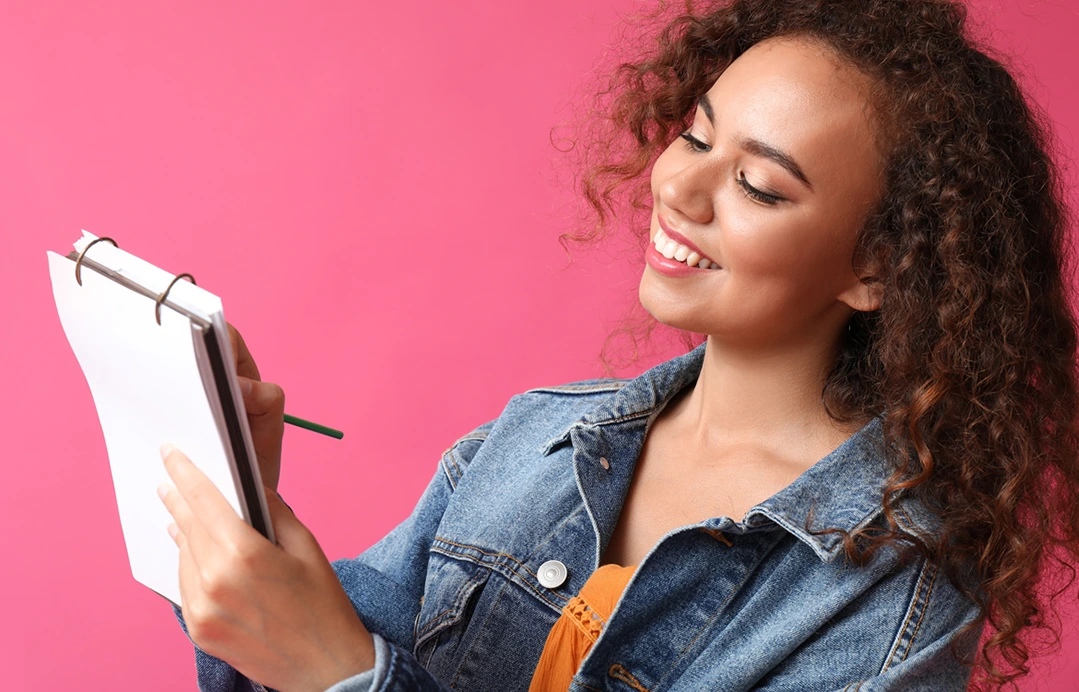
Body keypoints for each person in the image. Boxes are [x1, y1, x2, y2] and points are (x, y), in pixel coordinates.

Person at [158, 0, 1079, 690]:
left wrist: (342, 673)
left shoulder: (887, 598)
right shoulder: (532, 441)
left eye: (758, 185)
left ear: (876, 268)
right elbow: (296, 653)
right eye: (694, 135)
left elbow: (336, 663)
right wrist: (239, 497)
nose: (679, 189)